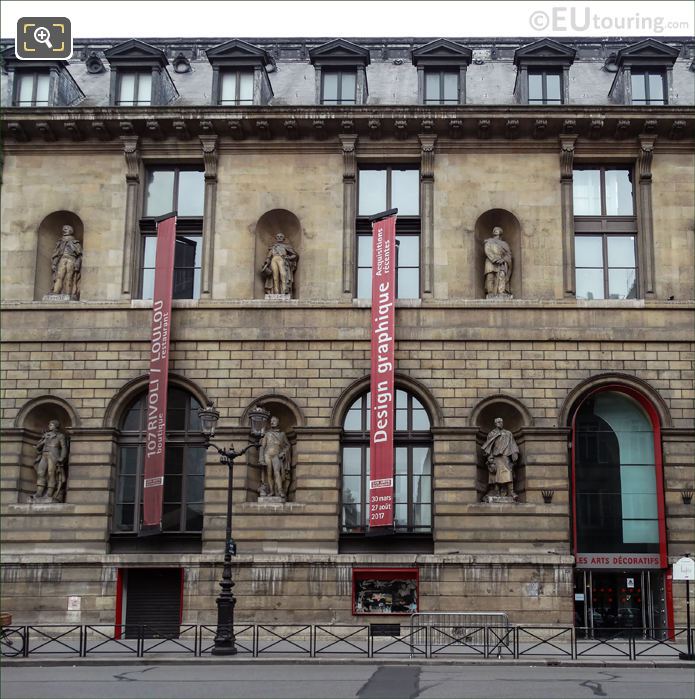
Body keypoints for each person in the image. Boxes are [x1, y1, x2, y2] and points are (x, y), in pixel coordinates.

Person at [482, 417, 519, 498]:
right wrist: (490, 457)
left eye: (501, 422)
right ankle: (496, 492)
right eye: (498, 422)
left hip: (505, 456)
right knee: (496, 475)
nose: (500, 423)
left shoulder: (508, 433)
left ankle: (511, 491)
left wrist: (514, 453)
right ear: (495, 424)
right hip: (496, 456)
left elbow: (512, 444)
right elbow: (489, 446)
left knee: (508, 472)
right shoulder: (492, 434)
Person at [34, 419, 68, 502]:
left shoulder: (60, 436)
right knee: (40, 472)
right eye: (49, 424)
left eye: (51, 425)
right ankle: (39, 491)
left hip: (54, 454)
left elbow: (64, 447)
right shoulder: (46, 435)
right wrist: (43, 440)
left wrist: (62, 457)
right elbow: (38, 447)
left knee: (51, 473)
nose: (49, 426)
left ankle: (50, 492)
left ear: (56, 426)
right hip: (44, 454)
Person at [258, 416, 291, 499]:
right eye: (271, 421)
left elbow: (288, 445)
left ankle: (280, 490)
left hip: (276, 455)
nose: (272, 422)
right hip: (267, 455)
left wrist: (283, 453)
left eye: (274, 421)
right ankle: (272, 491)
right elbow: (262, 446)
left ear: (278, 422)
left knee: (277, 472)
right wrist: (261, 458)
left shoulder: (282, 434)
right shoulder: (267, 434)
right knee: (269, 474)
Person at [51, 225, 83, 297]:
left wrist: (77, 264)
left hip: (71, 259)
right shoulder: (60, 242)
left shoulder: (75, 242)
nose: (64, 230)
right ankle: (56, 292)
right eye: (63, 229)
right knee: (59, 276)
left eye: (66, 229)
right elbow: (57, 254)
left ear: (70, 230)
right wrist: (54, 263)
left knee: (69, 277)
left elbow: (79, 255)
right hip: (62, 259)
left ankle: (68, 293)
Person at [483, 226, 513, 297]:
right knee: (490, 276)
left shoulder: (504, 244)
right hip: (491, 261)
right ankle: (490, 292)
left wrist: (503, 259)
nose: (495, 231)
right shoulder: (489, 241)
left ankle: (501, 292)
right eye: (494, 230)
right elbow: (487, 250)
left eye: (497, 230)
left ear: (501, 233)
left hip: (501, 262)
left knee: (501, 275)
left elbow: (508, 254)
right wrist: (494, 259)